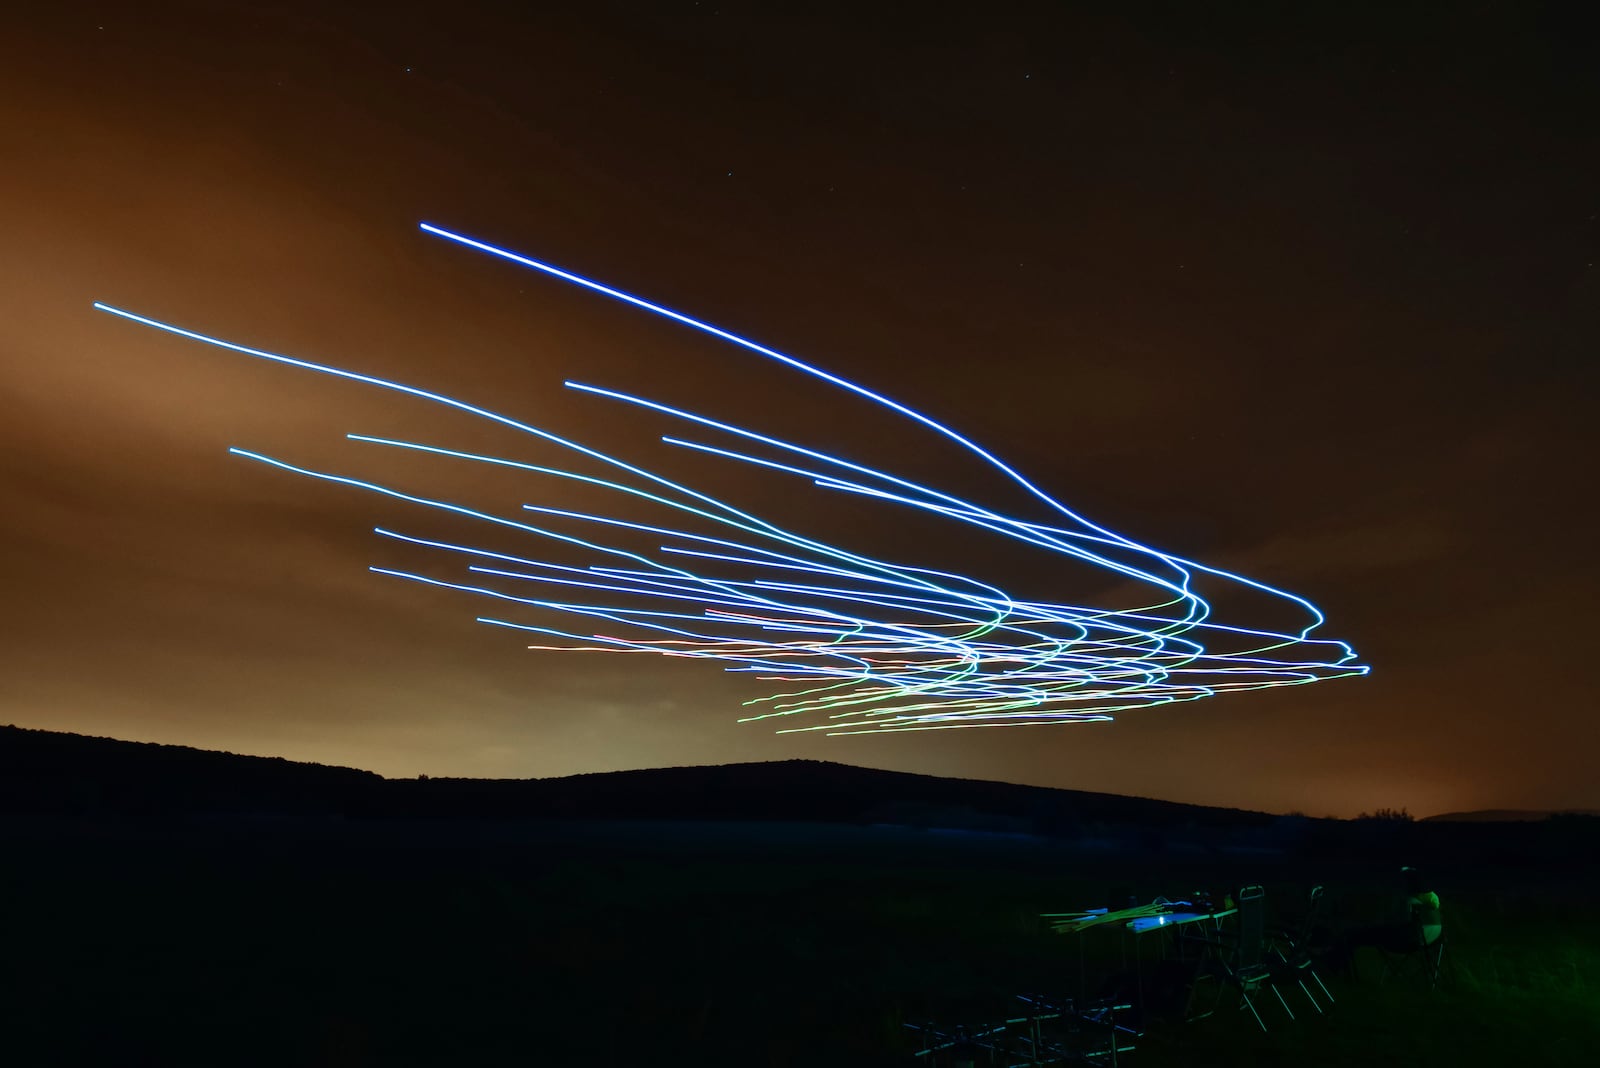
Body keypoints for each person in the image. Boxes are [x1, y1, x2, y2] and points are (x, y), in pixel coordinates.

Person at [1325, 867, 1442, 979]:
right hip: (1430, 940)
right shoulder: (1431, 899)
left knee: (1354, 936)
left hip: (1406, 941)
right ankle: (1334, 962)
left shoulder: (1410, 902)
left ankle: (1332, 965)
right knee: (1359, 934)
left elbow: (1395, 924)